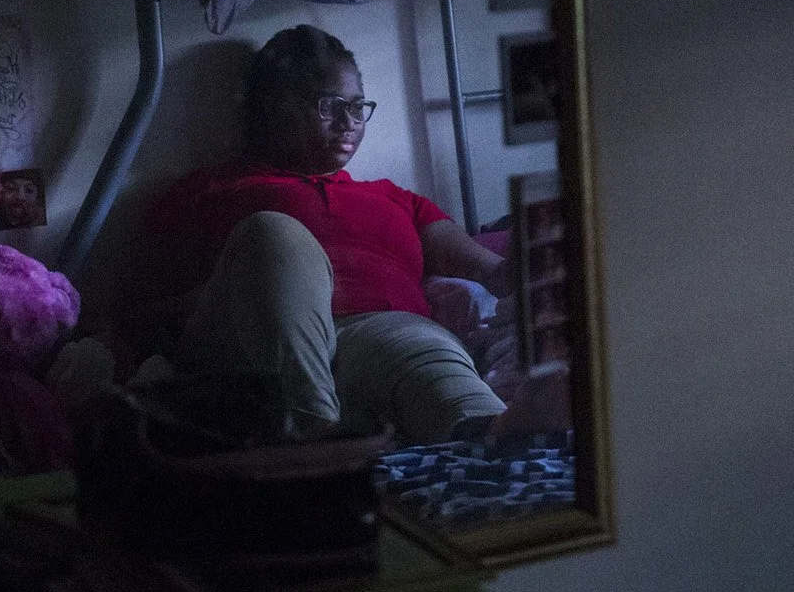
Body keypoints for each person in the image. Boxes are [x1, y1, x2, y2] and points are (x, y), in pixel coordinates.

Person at [138, 25, 559, 445]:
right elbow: (152, 313)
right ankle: (317, 441)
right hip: (257, 342)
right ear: (276, 109)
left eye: (358, 107)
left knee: (435, 360)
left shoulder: (395, 199)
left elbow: (498, 274)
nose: (348, 122)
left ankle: (498, 437)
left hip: (382, 329)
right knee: (274, 233)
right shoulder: (209, 192)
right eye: (330, 106)